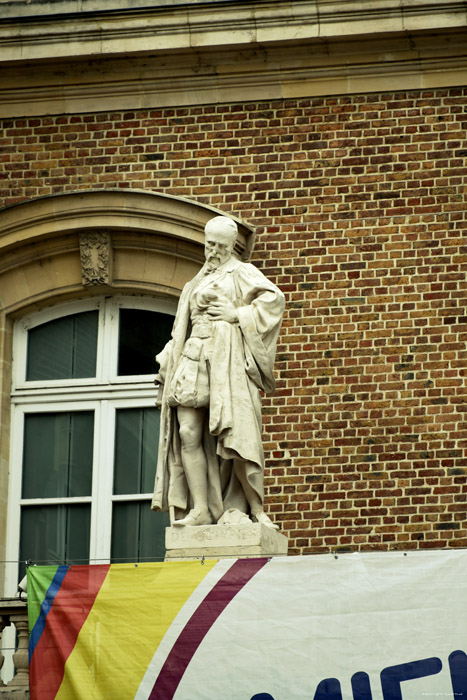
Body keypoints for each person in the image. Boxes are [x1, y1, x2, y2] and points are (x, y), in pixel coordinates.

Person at [151, 215, 285, 528]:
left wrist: (237, 313)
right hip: (193, 355)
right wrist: (170, 353)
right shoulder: (196, 281)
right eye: (209, 244)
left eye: (220, 246)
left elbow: (274, 302)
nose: (213, 251)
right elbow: (181, 327)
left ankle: (253, 509)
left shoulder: (241, 271)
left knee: (234, 433)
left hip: (225, 361)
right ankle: (200, 509)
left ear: (230, 247)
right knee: (187, 432)